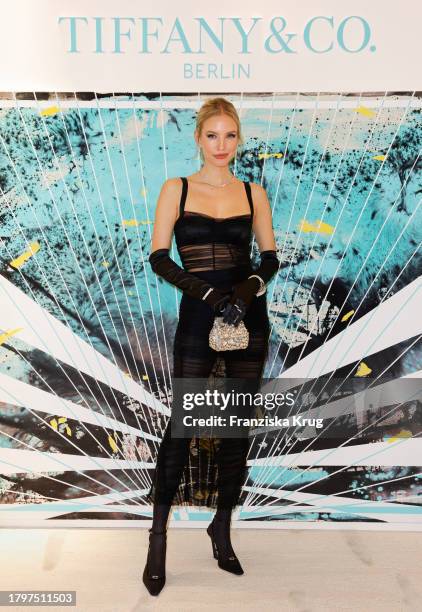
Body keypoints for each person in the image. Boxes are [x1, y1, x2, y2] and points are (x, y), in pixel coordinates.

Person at [143, 97, 279, 596]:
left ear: (238, 139)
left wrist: (246, 292)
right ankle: (157, 538)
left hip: (249, 317)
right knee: (183, 425)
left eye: (230, 136)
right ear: (198, 138)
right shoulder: (175, 189)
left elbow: (269, 259)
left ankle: (221, 527)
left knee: (236, 426)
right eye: (212, 136)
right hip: (200, 314)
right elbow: (159, 256)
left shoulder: (253, 192)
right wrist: (208, 293)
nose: (221, 145)